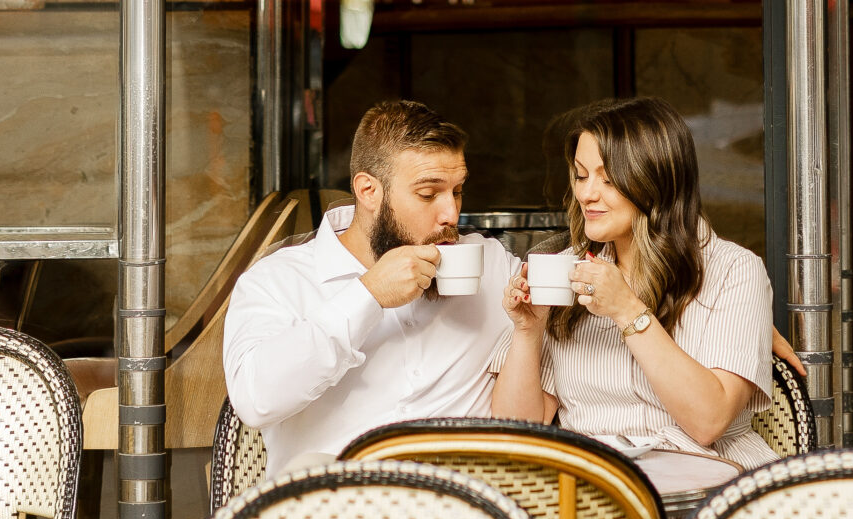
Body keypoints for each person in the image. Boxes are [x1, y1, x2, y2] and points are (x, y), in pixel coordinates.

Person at [222, 98, 515, 478]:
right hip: (334, 518)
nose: (451, 214)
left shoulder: (488, 266)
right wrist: (367, 295)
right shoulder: (279, 282)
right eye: (428, 194)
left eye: (457, 191)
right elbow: (256, 400)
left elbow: (573, 340)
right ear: (368, 191)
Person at [490, 95, 777, 468]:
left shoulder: (733, 271)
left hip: (710, 483)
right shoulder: (562, 271)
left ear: (655, 181)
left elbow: (709, 422)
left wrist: (628, 311)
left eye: (608, 179)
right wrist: (528, 331)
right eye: (580, 174)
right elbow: (517, 432)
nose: (586, 194)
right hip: (599, 488)